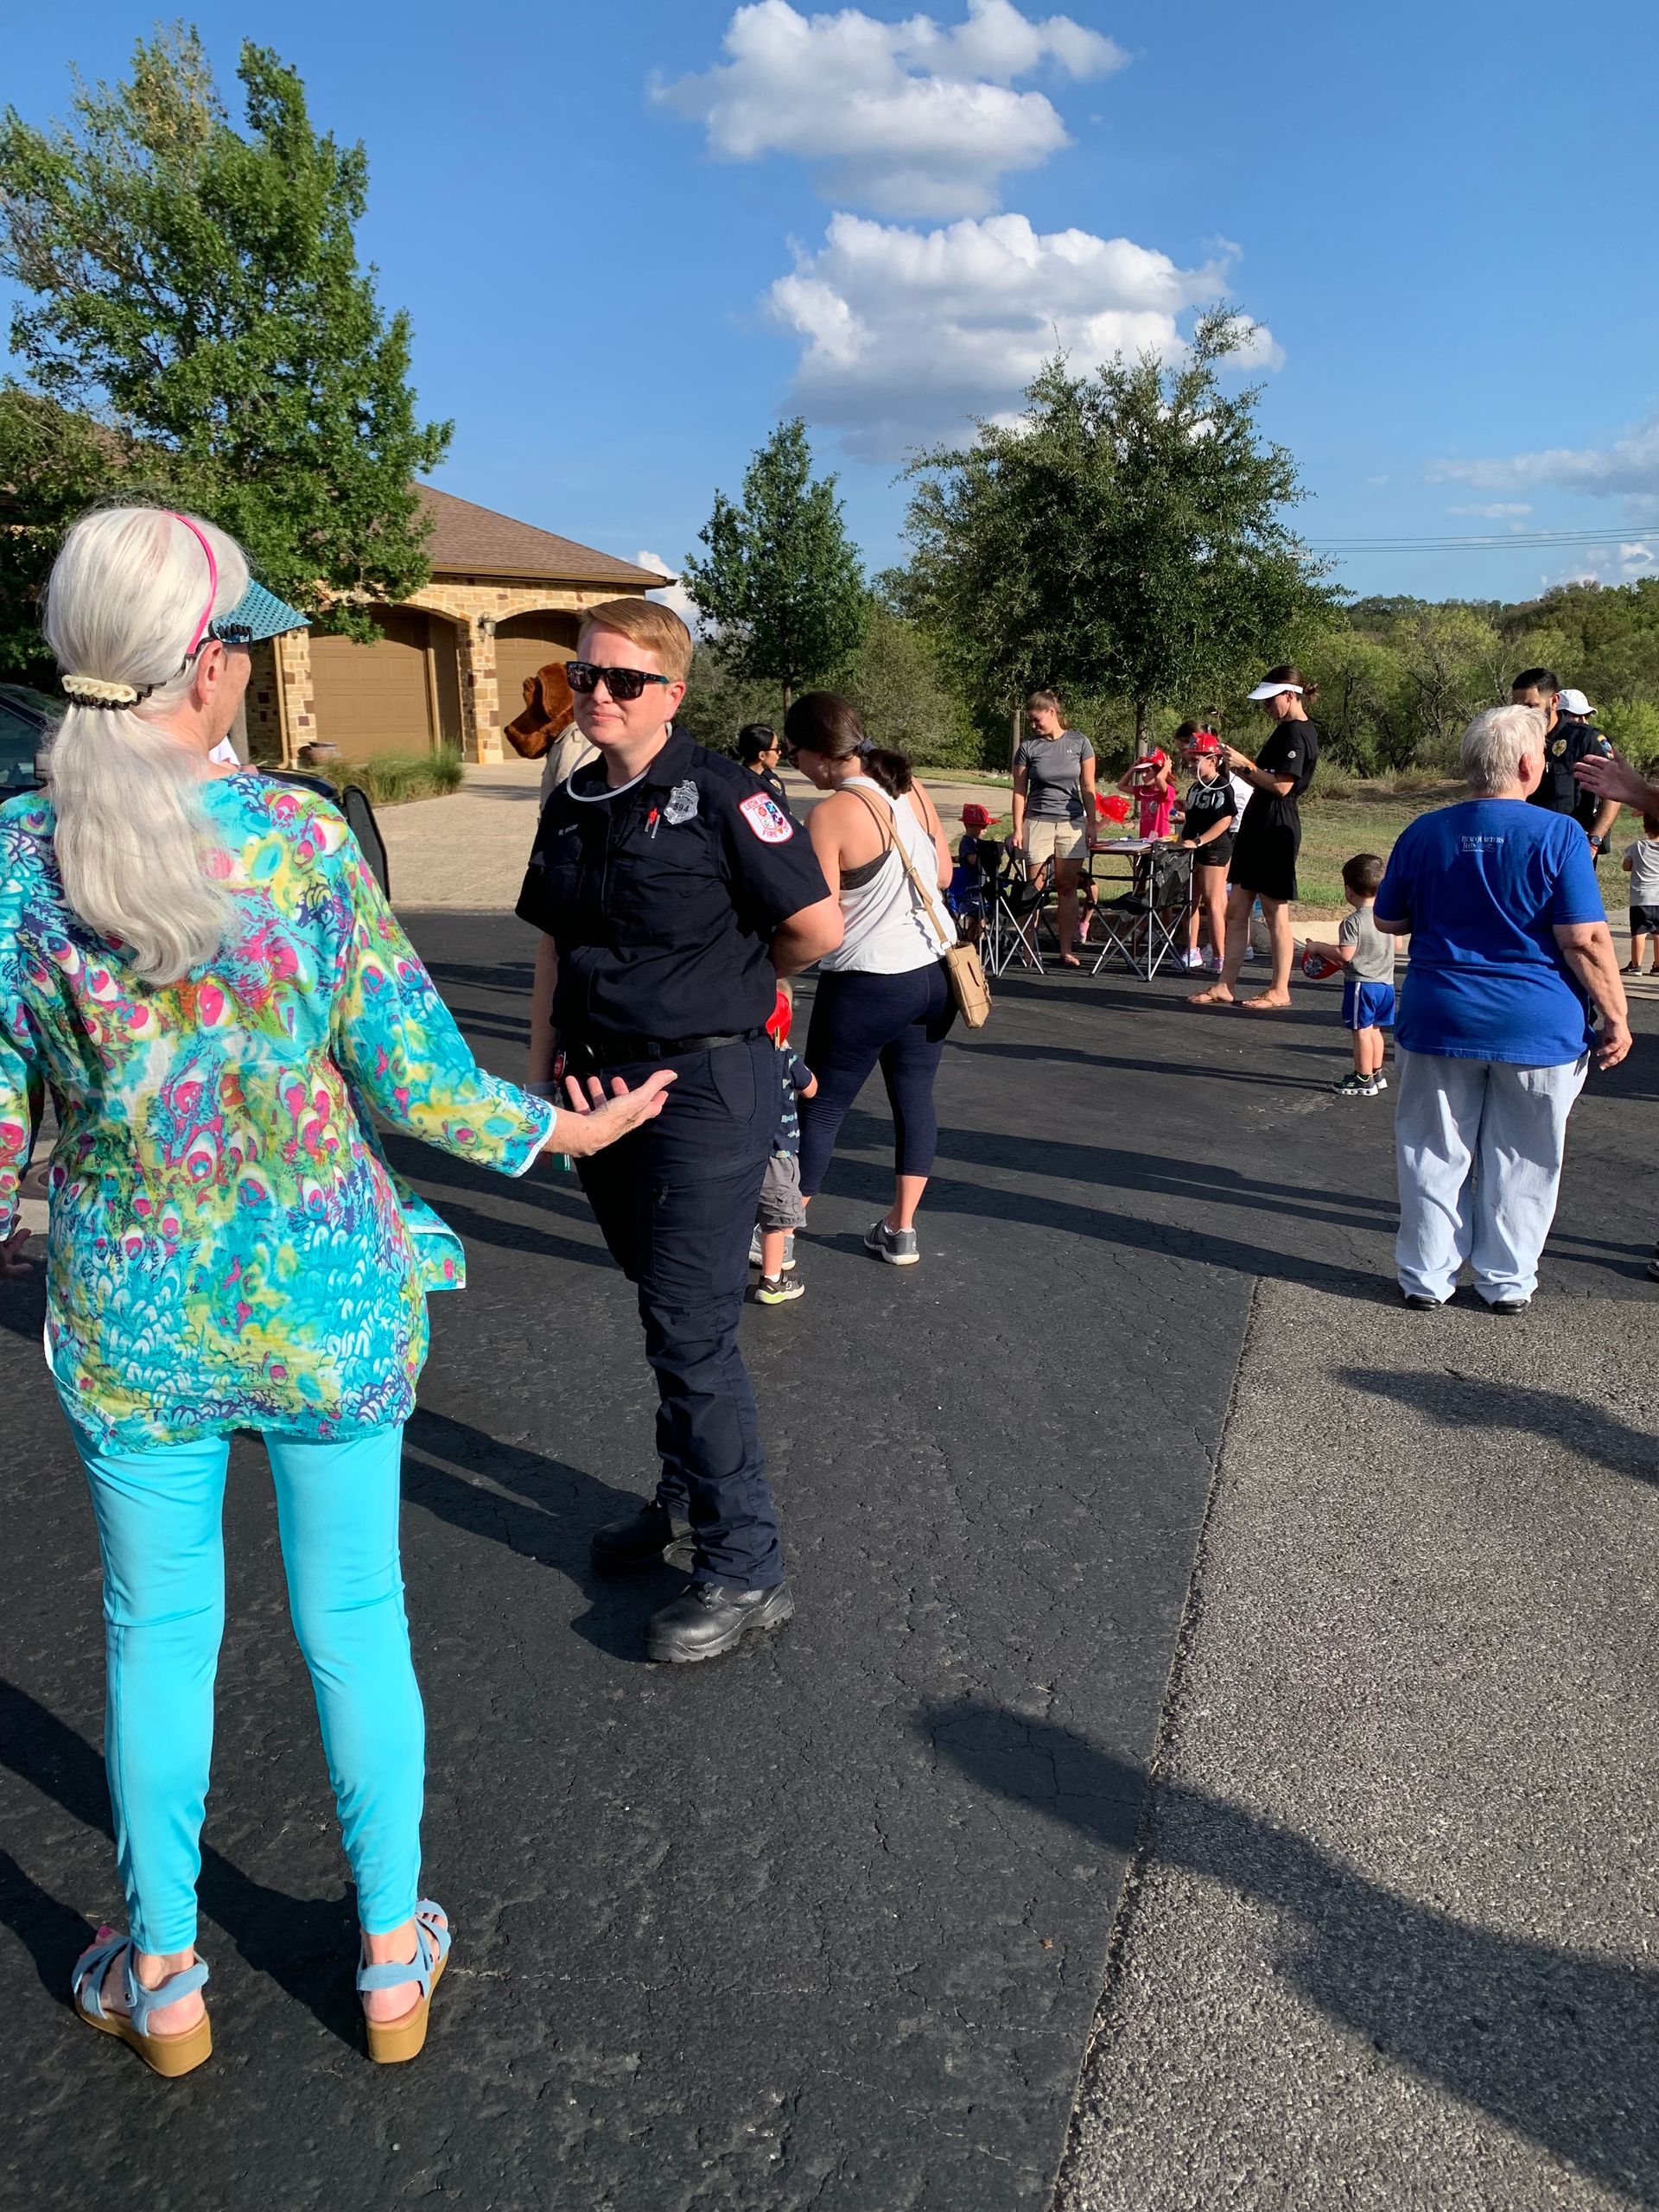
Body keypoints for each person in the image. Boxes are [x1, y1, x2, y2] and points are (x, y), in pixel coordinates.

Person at [0, 507, 669, 2076]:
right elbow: (410, 1069)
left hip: (132, 1314)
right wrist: (558, 1131)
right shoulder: (298, 842)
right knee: (355, 1621)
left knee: (154, 1632)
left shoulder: (16, 865)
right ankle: (386, 1964)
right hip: (327, 1304)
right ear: (211, 666)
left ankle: (161, 1980)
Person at [517, 599, 841, 1664]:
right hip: (594, 1092)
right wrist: (539, 1076)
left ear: (673, 693)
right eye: (583, 677)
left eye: (623, 680)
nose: (596, 696)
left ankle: (748, 1566)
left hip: (706, 1085)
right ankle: (684, 1500)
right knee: (660, 1300)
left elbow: (814, 928)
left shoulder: (725, 798)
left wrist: (719, 998)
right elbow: (557, 948)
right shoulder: (568, 803)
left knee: (689, 1322)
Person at [1373, 704, 1630, 1313]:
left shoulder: (1423, 831)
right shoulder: (1559, 834)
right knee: (1526, 1155)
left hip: (1441, 1014)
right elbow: (1585, 938)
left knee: (1433, 1151)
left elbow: (1389, 917)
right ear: (1526, 764)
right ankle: (1505, 1282)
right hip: (1537, 1022)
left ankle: (1425, 1277)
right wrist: (1616, 1014)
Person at [787, 692, 957, 1266]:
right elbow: (943, 870)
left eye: (794, 755)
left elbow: (822, 923)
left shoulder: (831, 813)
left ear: (817, 752)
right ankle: (900, 1230)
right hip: (934, 974)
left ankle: (779, 1243)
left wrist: (772, 967)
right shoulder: (907, 785)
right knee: (914, 1102)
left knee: (821, 1107)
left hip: (869, 981)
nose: (796, 767)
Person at [1189, 665, 1321, 1012]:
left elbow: (1282, 786)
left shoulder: (1297, 734)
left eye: (1269, 701)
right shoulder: (1284, 730)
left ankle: (1280, 988)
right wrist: (1237, 765)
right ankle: (1225, 984)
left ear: (1289, 695)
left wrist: (1244, 765)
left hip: (1277, 824)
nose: (1265, 708)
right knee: (1238, 908)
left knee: (1276, 911)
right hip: (1258, 821)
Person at [1010, 690, 1099, 969]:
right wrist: (1017, 828)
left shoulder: (1079, 742)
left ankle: (1065, 949)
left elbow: (1088, 787)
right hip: (1037, 820)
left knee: (1067, 887)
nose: (1034, 726)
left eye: (1037, 720)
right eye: (1030, 722)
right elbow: (1019, 791)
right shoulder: (1028, 748)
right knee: (1034, 886)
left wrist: (1092, 823)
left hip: (1071, 822)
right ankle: (1028, 948)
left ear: (1052, 712)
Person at [1301, 853, 1395, 1096]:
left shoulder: (1353, 922)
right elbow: (1393, 947)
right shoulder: (1386, 916)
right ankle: (1376, 1073)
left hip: (1362, 986)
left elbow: (1345, 954)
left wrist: (1318, 947)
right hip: (1386, 984)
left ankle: (1362, 1078)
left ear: (1349, 890)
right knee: (1375, 1030)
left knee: (1361, 1031)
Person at [1510, 667, 1619, 859]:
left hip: (1570, 848)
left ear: (1554, 702)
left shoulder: (1585, 739)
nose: (1523, 714)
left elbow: (1613, 793)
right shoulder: (1515, 740)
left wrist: (1594, 841)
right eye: (1517, 708)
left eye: (1530, 706)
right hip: (1526, 845)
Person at [752, 984, 817, 1306]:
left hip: (747, 1148)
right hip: (780, 1152)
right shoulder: (785, 1056)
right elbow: (811, 1089)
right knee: (776, 1222)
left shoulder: (745, 1057)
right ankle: (772, 1281)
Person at [1174, 727, 1236, 969]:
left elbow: (1224, 819)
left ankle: (1220, 956)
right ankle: (1191, 949)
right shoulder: (1195, 788)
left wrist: (1200, 841)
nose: (1190, 765)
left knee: (1212, 901)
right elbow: (1195, 817)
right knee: (1190, 900)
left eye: (1195, 759)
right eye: (1189, 759)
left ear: (1213, 760)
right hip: (1192, 847)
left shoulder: (1222, 786)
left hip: (1214, 849)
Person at [1620, 811, 1659, 974]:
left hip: (1641, 897)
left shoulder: (1637, 846)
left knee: (1639, 931)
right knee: (1658, 932)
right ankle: (1658, 965)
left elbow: (1626, 866)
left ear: (1645, 827)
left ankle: (1636, 965)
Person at [1119, 739, 1176, 842]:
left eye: (1148, 771)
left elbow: (1159, 779)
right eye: (1142, 772)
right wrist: (1133, 768)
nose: (1144, 775)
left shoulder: (1167, 791)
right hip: (1144, 840)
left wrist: (1166, 767)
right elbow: (1121, 786)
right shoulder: (1143, 790)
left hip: (1160, 842)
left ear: (1158, 772)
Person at [737, 721, 787, 803]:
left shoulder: (771, 778)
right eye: (776, 749)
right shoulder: (742, 787)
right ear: (762, 755)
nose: (780, 752)